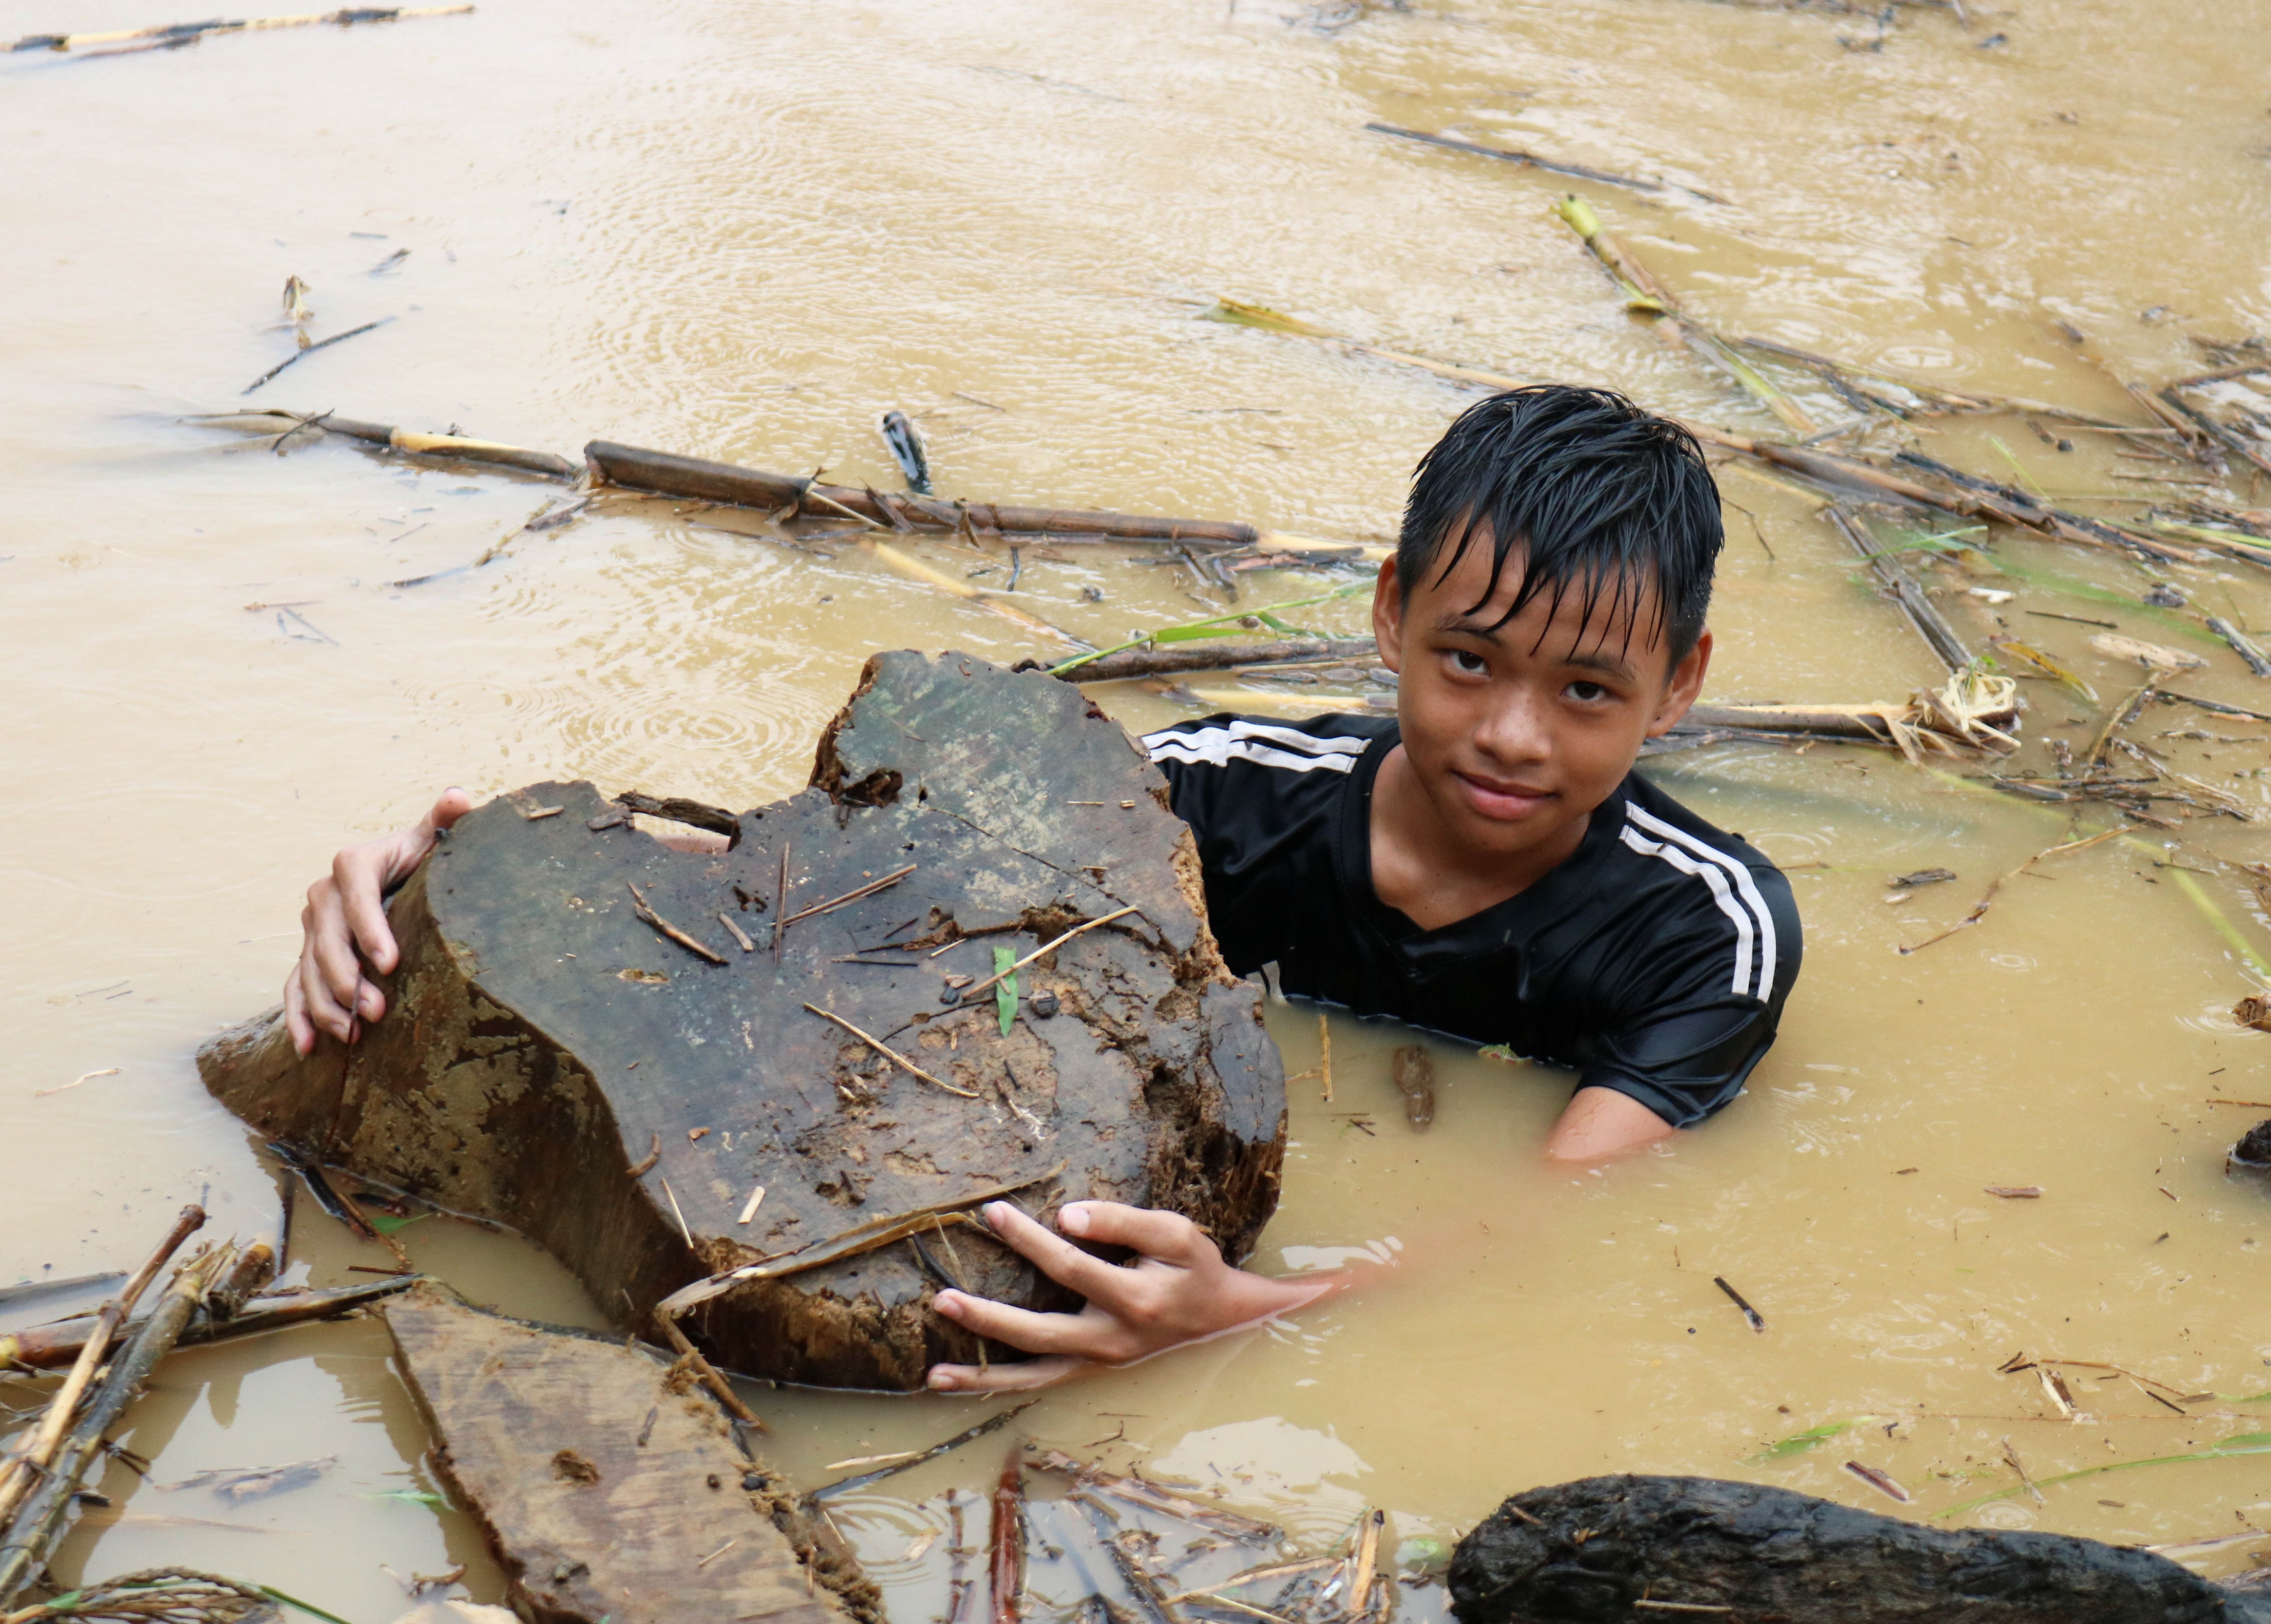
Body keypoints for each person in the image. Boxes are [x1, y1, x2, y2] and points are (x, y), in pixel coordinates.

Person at [282, 385, 1800, 1395]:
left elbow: (1548, 1226)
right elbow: (854, 887)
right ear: (1393, 614)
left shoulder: (1705, 933)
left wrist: (1251, 1317)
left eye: (1589, 690)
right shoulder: (1215, 786)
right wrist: (469, 877)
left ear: (1680, 690)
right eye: (1469, 660)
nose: (1513, 735)